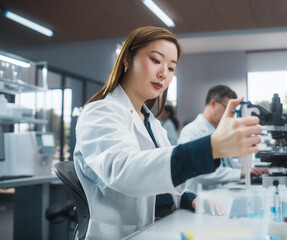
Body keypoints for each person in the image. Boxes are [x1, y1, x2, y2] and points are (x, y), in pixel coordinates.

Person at [73, 26, 262, 240]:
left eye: (171, 68)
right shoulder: (100, 112)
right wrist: (211, 148)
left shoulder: (152, 124)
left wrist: (187, 198)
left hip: (154, 229)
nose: (164, 73)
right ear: (127, 59)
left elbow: (159, 179)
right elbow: (125, 171)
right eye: (155, 60)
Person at [178, 85, 269, 192]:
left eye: (233, 110)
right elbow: (199, 172)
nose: (230, 114)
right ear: (213, 103)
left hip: (219, 195)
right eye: (227, 108)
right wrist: (240, 173)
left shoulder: (218, 130)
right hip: (198, 199)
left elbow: (227, 164)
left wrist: (248, 170)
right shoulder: (191, 131)